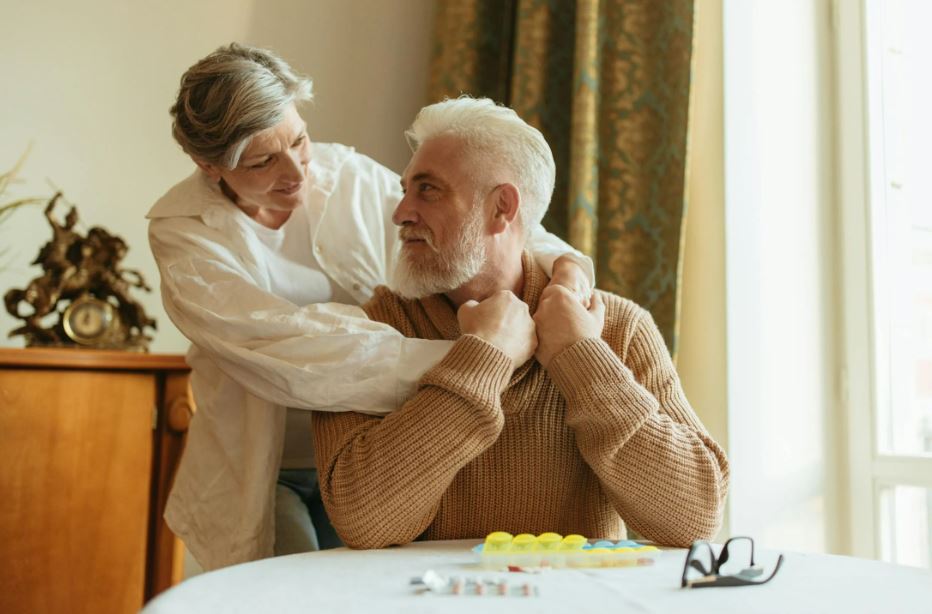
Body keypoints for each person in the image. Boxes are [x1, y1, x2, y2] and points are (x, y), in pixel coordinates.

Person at [146, 43, 594, 571]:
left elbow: (469, 223)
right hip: (272, 468)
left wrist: (566, 266)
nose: (294, 170)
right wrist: (483, 357)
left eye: (299, 140)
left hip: (374, 452)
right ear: (209, 166)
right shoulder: (184, 235)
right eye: (263, 161)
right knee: (293, 599)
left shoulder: (349, 177)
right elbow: (292, 352)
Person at [312, 98, 729, 549]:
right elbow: (362, 522)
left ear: (502, 208)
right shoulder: (372, 331)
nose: (401, 213)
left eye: (428, 190)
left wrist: (581, 357)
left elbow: (697, 516)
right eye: (405, 189)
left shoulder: (619, 328)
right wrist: (482, 359)